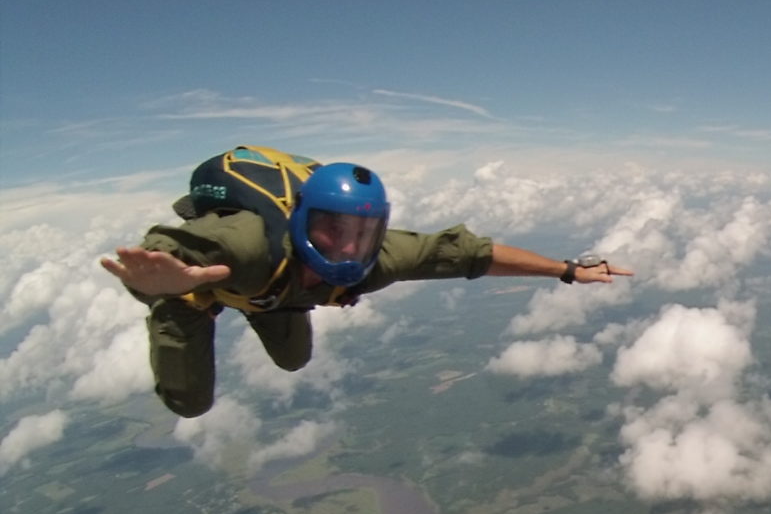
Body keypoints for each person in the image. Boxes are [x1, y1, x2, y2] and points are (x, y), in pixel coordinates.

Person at [100, 154, 632, 417]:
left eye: (364, 232)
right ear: (302, 222)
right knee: (189, 403)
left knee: (293, 360)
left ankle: (264, 300)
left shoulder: (381, 258)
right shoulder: (247, 244)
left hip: (277, 292)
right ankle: (197, 305)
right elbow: (166, 251)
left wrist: (566, 269)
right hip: (204, 286)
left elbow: (475, 254)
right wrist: (163, 283)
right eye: (332, 231)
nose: (349, 248)